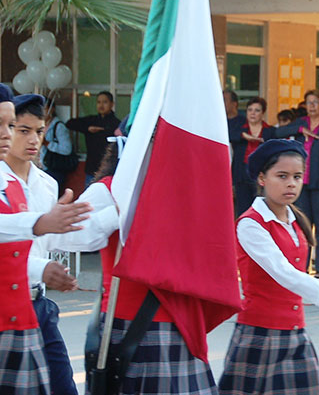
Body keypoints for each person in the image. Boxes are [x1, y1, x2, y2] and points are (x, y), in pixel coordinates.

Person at [51, 140, 222, 394]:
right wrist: (116, 213)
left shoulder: (181, 190)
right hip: (127, 321)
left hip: (180, 319)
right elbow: (64, 237)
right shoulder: (107, 190)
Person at [218, 139, 319, 394]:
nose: (291, 183)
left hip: (295, 332)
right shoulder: (250, 224)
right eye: (281, 176)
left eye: (297, 176)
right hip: (260, 333)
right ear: (262, 178)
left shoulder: (296, 220)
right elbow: (283, 273)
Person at [0, 83, 92, 394]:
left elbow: (51, 241)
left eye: (38, 131)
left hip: (37, 302)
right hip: (7, 303)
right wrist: (40, 260)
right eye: (20, 129)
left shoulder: (46, 184)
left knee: (62, 385)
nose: (31, 139)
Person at [275, 89, 319, 278]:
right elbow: (278, 131)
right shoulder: (301, 123)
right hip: (301, 182)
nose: (312, 106)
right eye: (309, 103)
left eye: (315, 102)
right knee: (303, 226)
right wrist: (300, 130)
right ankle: (303, 266)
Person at [229, 97, 274, 215]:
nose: (252, 113)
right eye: (250, 110)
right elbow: (228, 134)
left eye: (257, 110)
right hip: (242, 175)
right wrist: (243, 135)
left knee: (262, 211)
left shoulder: (269, 131)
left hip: (261, 176)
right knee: (243, 212)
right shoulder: (239, 130)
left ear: (263, 113)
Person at [66, 91, 120, 187]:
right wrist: (87, 129)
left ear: (112, 104)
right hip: (91, 169)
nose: (101, 105)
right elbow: (69, 123)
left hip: (109, 170)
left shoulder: (116, 124)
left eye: (105, 102)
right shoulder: (91, 120)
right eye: (99, 102)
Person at [41, 98, 74, 196]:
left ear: (52, 109)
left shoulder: (58, 126)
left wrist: (47, 143)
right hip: (40, 168)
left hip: (53, 168)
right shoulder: (39, 125)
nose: (42, 112)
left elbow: (66, 149)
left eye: (45, 109)